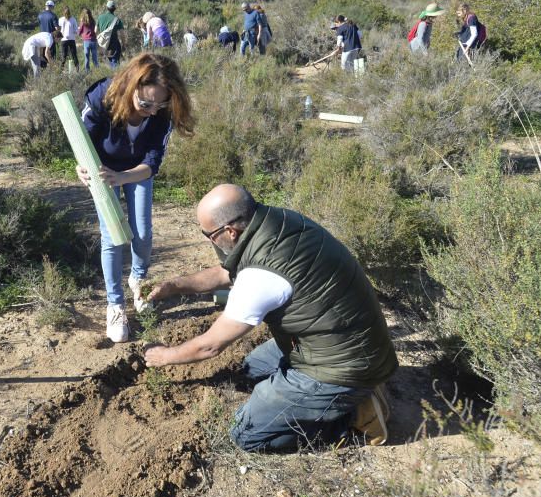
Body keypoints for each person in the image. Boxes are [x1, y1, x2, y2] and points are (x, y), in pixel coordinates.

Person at [144, 184, 397, 452]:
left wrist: (165, 357)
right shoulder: (273, 223)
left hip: (343, 364)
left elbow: (210, 346)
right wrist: (174, 286)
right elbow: (226, 273)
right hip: (337, 339)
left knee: (247, 435)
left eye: (207, 234)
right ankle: (348, 393)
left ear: (230, 231)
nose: (207, 240)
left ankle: (354, 417)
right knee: (252, 369)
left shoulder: (261, 275)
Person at [77, 53, 195, 342]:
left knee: (141, 231)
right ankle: (115, 305)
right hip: (103, 169)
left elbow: (153, 161)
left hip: (137, 171)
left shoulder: (162, 112)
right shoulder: (102, 97)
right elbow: (83, 138)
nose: (152, 111)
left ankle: (138, 279)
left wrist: (125, 177)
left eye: (160, 104)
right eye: (145, 103)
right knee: (113, 235)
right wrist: (82, 165)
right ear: (131, 86)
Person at [96, 0, 125, 68]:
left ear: (106, 7)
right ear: (115, 8)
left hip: (103, 45)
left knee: (108, 61)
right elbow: (122, 34)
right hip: (114, 44)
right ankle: (114, 75)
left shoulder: (100, 17)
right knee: (115, 62)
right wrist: (124, 44)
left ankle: (110, 74)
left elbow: (95, 31)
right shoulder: (117, 20)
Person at [58, 5, 79, 72]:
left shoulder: (71, 19)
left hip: (67, 39)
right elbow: (76, 30)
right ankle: (76, 69)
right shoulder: (70, 19)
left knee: (68, 55)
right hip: (67, 39)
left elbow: (76, 30)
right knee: (70, 55)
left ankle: (62, 70)